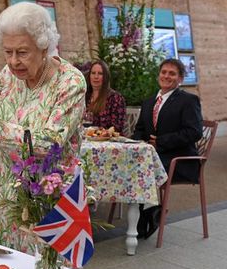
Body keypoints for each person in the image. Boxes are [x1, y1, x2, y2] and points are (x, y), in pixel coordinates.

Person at [0, 2, 86, 254]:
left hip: (48, 191)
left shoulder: (70, 82)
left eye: (22, 52)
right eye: (8, 52)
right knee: (8, 265)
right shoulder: (9, 73)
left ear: (44, 46)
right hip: (7, 190)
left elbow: (50, 142)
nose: (13, 61)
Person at [132, 58, 203, 238]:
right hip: (152, 158)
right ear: (158, 75)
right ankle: (148, 211)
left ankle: (146, 215)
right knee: (129, 165)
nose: (166, 76)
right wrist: (141, 143)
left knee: (141, 170)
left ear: (180, 79)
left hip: (179, 161)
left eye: (172, 73)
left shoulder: (188, 100)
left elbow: (194, 132)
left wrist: (161, 141)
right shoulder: (149, 102)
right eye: (164, 72)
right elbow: (139, 130)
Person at [85, 60, 126, 132]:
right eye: (93, 73)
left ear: (106, 77)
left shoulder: (115, 98)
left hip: (109, 140)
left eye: (100, 74)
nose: (96, 76)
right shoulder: (85, 96)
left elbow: (117, 127)